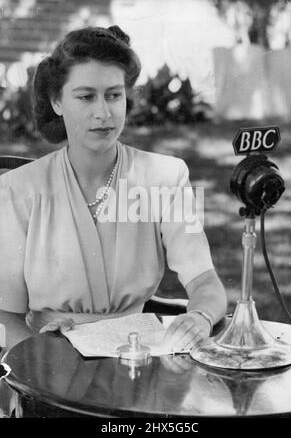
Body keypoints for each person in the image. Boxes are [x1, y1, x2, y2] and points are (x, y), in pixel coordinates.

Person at [0, 25, 227, 354]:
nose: (103, 113)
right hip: (44, 367)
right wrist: (43, 354)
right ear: (57, 102)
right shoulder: (15, 190)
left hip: (139, 359)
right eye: (86, 96)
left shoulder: (165, 176)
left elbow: (205, 280)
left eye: (113, 95)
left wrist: (201, 318)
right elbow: (5, 317)